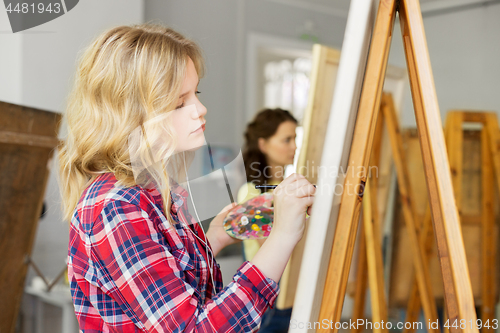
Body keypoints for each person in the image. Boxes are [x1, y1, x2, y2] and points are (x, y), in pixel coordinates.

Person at [58, 24, 315, 333]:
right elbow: (195, 329)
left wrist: (215, 238)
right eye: (180, 102)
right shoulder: (116, 207)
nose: (201, 109)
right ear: (130, 114)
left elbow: (167, 280)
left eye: (196, 93)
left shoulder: (154, 192)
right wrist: (283, 235)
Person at [238, 108, 298, 333]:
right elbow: (272, 245)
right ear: (263, 145)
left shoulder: (294, 187)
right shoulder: (251, 193)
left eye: (295, 139)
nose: (294, 146)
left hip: (294, 287)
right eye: (286, 140)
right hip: (269, 294)